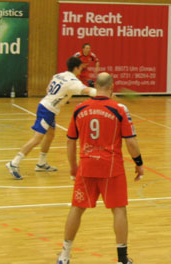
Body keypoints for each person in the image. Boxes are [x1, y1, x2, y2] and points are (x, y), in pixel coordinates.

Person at [56, 72, 143, 264]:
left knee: (77, 208)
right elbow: (131, 143)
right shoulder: (119, 109)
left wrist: (73, 167)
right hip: (112, 168)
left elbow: (70, 142)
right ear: (112, 87)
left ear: (95, 86)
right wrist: (139, 163)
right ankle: (122, 259)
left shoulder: (79, 108)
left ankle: (64, 256)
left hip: (86, 167)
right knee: (119, 210)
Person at [5, 56, 96, 180]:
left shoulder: (58, 75)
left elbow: (48, 89)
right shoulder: (73, 81)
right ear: (76, 68)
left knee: (50, 135)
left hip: (47, 107)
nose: (81, 71)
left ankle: (41, 163)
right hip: (47, 110)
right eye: (80, 68)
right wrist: (101, 92)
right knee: (37, 139)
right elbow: (87, 90)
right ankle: (14, 163)